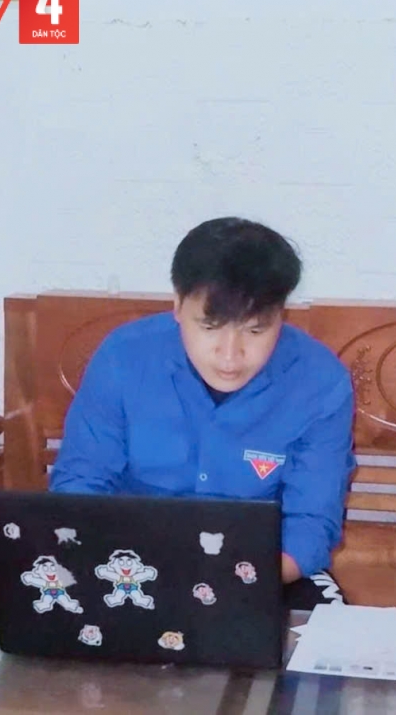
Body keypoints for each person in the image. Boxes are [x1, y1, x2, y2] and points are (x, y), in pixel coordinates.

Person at [49, 217, 356, 610]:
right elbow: (81, 484)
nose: (230, 356)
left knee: (322, 638)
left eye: (255, 331)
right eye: (210, 327)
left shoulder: (319, 382)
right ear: (178, 305)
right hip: (129, 563)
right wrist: (131, 569)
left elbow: (311, 523)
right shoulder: (124, 359)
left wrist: (224, 583)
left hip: (263, 567)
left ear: (282, 314)